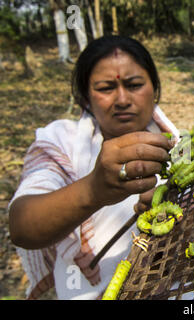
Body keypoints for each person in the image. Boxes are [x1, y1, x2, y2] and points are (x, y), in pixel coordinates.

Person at [7, 35, 179, 300]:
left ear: (154, 90)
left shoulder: (179, 149)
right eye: (106, 88)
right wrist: (93, 189)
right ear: (86, 97)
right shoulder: (59, 143)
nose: (122, 99)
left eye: (134, 85)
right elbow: (21, 226)